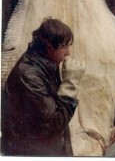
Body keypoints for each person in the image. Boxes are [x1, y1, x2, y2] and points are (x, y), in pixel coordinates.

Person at [1, 18, 77, 156]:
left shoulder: (45, 62)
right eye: (64, 46)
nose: (68, 53)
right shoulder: (28, 76)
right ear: (49, 46)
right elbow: (55, 123)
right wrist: (70, 84)